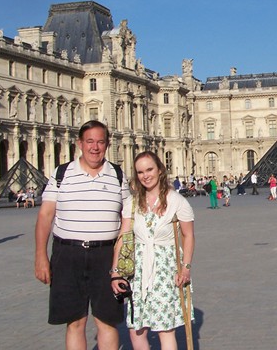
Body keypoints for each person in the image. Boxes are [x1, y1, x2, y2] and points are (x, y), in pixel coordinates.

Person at [35, 120, 129, 350]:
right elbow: (45, 215)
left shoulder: (118, 175)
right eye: (90, 141)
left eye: (100, 142)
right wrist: (40, 256)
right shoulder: (61, 173)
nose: (95, 147)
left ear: (107, 144)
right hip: (67, 253)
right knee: (75, 321)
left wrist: (123, 261)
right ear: (80, 143)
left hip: (106, 255)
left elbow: (128, 220)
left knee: (107, 321)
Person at [111, 151, 194, 350]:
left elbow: (188, 235)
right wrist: (115, 271)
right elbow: (123, 237)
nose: (145, 175)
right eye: (140, 172)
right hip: (138, 272)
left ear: (160, 170)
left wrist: (186, 267)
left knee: (165, 329)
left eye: (149, 170)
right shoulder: (131, 203)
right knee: (136, 330)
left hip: (166, 270)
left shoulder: (177, 201)